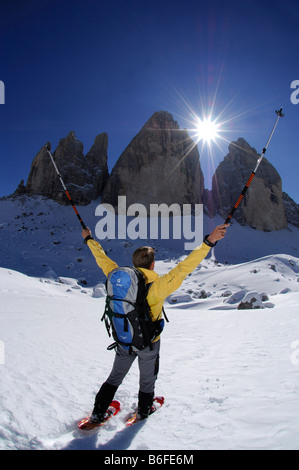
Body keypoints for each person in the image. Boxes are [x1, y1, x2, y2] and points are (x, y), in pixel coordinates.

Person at [81, 224, 228, 423]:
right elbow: (185, 267)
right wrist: (209, 242)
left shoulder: (117, 277)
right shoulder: (159, 285)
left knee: (115, 377)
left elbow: (102, 259)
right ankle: (143, 410)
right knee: (147, 378)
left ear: (134, 264)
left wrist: (89, 239)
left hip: (124, 339)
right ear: (152, 265)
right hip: (149, 343)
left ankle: (98, 413)